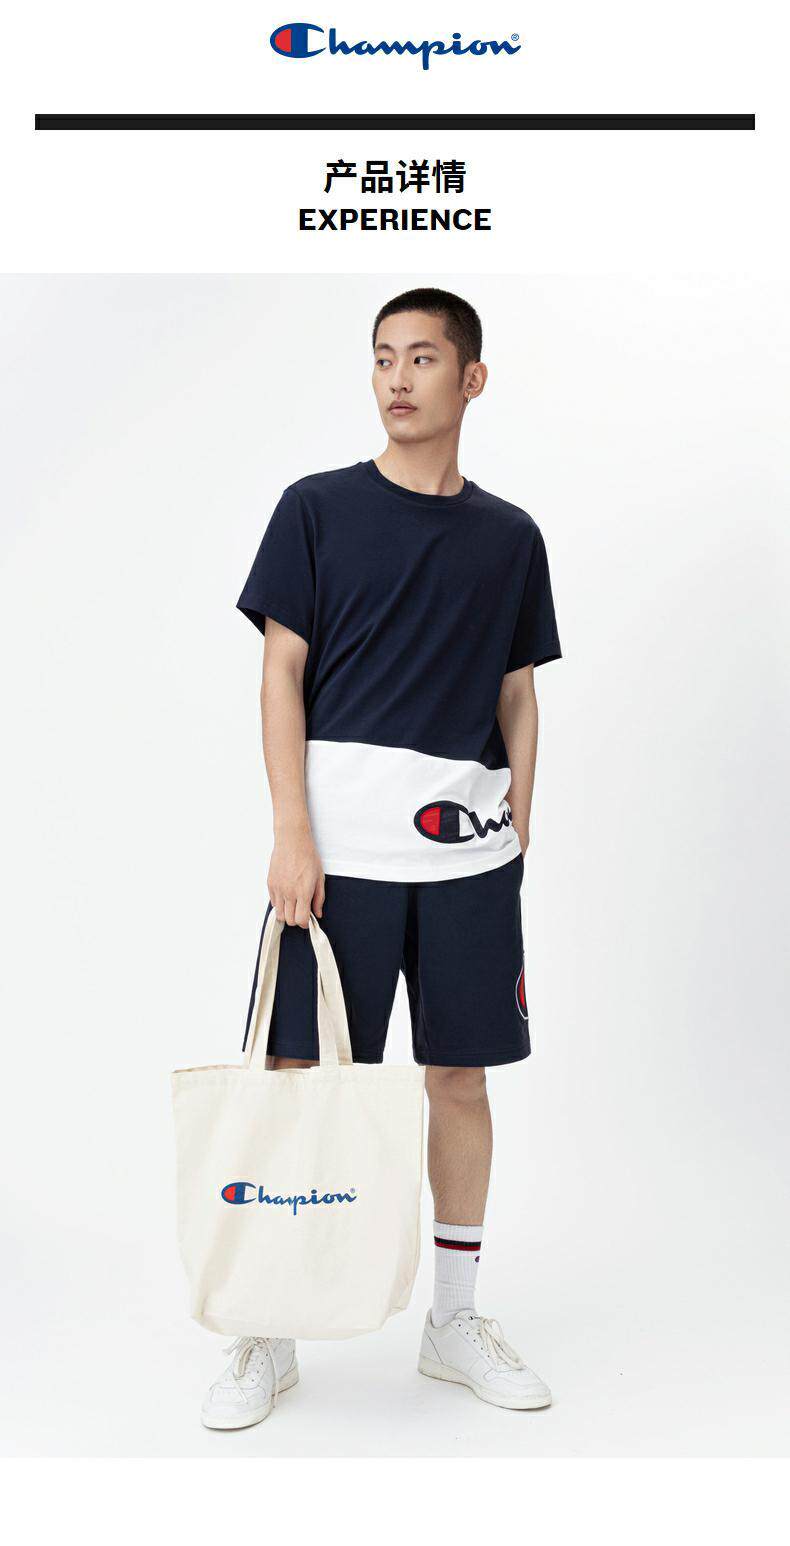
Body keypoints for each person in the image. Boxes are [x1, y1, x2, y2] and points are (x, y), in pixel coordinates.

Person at [201, 287, 561, 1430]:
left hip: (465, 862)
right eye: (381, 358)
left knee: (459, 1079)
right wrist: (290, 831)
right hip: (336, 860)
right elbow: (280, 672)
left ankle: (452, 1321)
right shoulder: (315, 509)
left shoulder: (511, 538)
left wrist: (519, 825)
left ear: (472, 379)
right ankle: (266, 1326)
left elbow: (516, 692)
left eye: (422, 358)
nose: (397, 378)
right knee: (298, 1078)